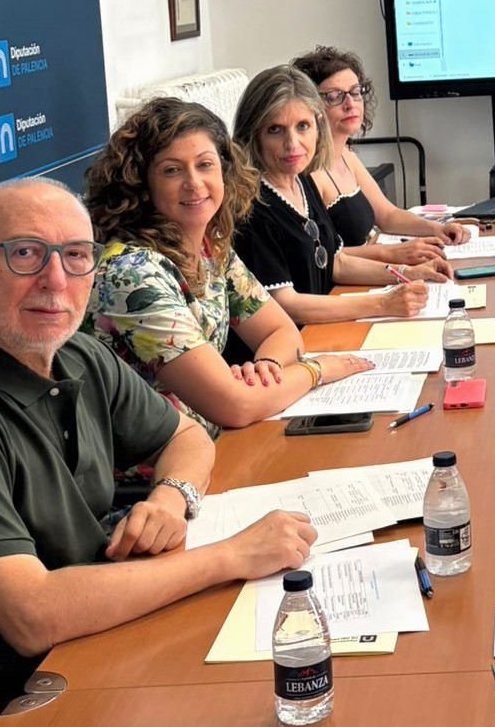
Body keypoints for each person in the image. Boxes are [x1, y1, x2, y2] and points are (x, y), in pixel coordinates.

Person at [0, 178, 319, 727]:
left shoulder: (78, 356)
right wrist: (231, 556)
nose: (55, 280)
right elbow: (32, 615)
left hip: (89, 653)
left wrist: (172, 498)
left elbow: (187, 437)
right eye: (24, 253)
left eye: (75, 255)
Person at [84, 97, 400, 436]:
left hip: (211, 441)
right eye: (172, 170)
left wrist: (267, 369)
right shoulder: (133, 273)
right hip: (160, 461)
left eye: (205, 165)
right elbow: (235, 406)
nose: (194, 183)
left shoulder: (211, 248)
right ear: (142, 185)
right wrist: (316, 370)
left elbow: (281, 331)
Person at [231, 65, 448, 332]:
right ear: (253, 135)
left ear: (318, 126)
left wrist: (405, 273)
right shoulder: (251, 207)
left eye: (303, 126)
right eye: (275, 130)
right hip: (291, 344)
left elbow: (337, 263)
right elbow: (286, 305)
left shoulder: (301, 180)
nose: (293, 143)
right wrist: (383, 303)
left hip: (322, 329)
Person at [291, 46, 472, 260]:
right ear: (310, 106)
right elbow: (322, 258)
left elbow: (388, 215)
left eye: (355, 92)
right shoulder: (306, 171)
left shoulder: (346, 154)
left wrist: (437, 229)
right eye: (334, 96)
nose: (350, 104)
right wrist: (396, 253)